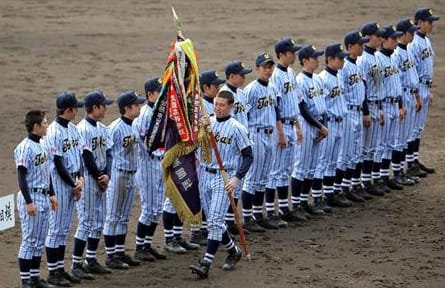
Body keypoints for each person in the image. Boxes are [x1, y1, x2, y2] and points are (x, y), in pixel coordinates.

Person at [189, 90, 253, 279]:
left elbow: (249, 156)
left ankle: (206, 263)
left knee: (215, 221)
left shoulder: (237, 128)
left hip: (224, 178)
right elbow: (192, 145)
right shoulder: (207, 122)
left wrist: (236, 178)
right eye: (216, 104)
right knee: (214, 222)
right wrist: (201, 129)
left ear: (231, 106)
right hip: (205, 176)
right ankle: (234, 251)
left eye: (222, 105)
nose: (217, 108)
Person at [71, 90, 114, 280]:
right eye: (103, 105)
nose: (106, 108)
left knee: (99, 221)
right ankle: (76, 264)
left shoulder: (103, 129)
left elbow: (110, 153)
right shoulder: (82, 129)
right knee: (86, 221)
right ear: (94, 108)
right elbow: (86, 157)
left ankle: (91, 259)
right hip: (88, 179)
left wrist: (108, 175)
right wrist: (100, 177)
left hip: (101, 179)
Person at [45, 92, 85, 286]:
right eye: (75, 108)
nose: (78, 110)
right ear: (68, 110)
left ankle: (60, 269)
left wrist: (81, 179)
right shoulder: (53, 132)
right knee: (56, 230)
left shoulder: (74, 129)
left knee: (64, 229)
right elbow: (58, 163)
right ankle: (53, 272)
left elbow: (81, 155)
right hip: (60, 184)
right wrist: (73, 184)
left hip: (73, 182)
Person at [15, 110, 58, 288]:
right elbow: (21, 176)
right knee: (29, 241)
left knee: (39, 241)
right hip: (31, 196)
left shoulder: (42, 144)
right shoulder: (25, 147)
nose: (47, 125)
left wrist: (52, 194)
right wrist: (28, 202)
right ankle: (26, 281)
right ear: (36, 126)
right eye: (45, 123)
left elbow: (47, 172)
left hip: (43, 195)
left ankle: (34, 278)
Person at [103, 90, 145, 269]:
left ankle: (120, 252)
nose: (139, 107)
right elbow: (106, 153)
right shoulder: (114, 128)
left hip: (132, 174)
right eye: (136, 105)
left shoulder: (134, 125)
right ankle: (110, 255)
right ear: (127, 108)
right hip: (118, 175)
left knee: (124, 217)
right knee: (113, 216)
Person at [266, 37, 305, 223]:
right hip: (280, 128)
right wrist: (280, 132)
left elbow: (295, 101)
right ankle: (270, 212)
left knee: (285, 171)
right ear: (281, 55)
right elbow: (275, 106)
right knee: (275, 171)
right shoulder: (275, 77)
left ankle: (283, 208)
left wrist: (298, 126)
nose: (294, 55)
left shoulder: (290, 72)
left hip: (291, 124)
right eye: (291, 53)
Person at [242, 52, 282, 230]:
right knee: (252, 178)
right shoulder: (250, 90)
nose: (268, 70)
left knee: (264, 177)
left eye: (270, 67)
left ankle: (259, 215)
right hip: (256, 134)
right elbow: (244, 115)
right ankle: (247, 217)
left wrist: (280, 133)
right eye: (265, 67)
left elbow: (276, 111)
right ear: (257, 68)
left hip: (270, 134)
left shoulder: (273, 88)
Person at [133, 77, 168, 261]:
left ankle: (146, 244)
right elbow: (148, 144)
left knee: (157, 210)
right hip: (147, 164)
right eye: (160, 92)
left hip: (159, 163)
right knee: (149, 209)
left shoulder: (159, 111)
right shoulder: (146, 115)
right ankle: (140, 247)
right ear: (150, 94)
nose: (163, 95)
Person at [291, 44, 328, 215]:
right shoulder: (299, 81)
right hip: (306, 125)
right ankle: (296, 204)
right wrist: (320, 126)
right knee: (301, 167)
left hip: (318, 125)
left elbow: (323, 105)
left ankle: (305, 202)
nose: (318, 61)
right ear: (305, 61)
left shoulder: (317, 79)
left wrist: (323, 125)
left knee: (312, 167)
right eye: (314, 58)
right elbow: (303, 108)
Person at [190, 70, 226, 245]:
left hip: (211, 156)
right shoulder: (199, 107)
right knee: (199, 194)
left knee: (208, 195)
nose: (218, 88)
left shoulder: (213, 104)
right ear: (205, 87)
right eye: (215, 86)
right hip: (199, 157)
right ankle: (196, 231)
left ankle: (206, 228)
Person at [316, 43, 352, 208]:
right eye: (340, 58)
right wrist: (322, 127)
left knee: (332, 162)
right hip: (329, 123)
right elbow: (321, 105)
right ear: (330, 59)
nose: (343, 61)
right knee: (323, 161)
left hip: (340, 123)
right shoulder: (322, 78)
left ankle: (329, 195)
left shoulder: (338, 75)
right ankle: (318, 198)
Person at [336, 31, 370, 203]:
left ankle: (348, 187)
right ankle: (338, 190)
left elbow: (362, 91)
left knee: (355, 153)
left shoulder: (357, 65)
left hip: (357, 112)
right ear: (350, 47)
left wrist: (365, 112)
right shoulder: (343, 69)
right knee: (345, 153)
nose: (362, 46)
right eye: (359, 44)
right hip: (348, 113)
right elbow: (339, 94)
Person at [220, 60, 252, 234]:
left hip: (242, 143)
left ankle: (231, 222)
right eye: (242, 75)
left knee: (238, 185)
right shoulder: (223, 95)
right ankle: (224, 221)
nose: (244, 77)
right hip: (230, 147)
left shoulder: (241, 93)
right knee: (229, 185)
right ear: (232, 76)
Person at [407, 8, 439, 176]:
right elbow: (412, 71)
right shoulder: (413, 44)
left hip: (425, 87)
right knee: (412, 128)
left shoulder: (426, 41)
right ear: (419, 23)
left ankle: (414, 159)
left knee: (418, 128)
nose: (431, 25)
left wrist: (429, 90)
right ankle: (409, 164)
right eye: (429, 22)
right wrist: (416, 93)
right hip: (417, 88)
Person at [375, 25, 405, 192]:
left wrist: (400, 105)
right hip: (384, 105)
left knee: (390, 143)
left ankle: (385, 176)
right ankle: (378, 176)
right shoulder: (378, 59)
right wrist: (379, 108)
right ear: (383, 40)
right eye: (393, 39)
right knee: (381, 143)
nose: (396, 42)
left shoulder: (393, 58)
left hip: (394, 104)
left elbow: (397, 84)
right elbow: (376, 87)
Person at [357, 22, 386, 197]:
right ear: (368, 38)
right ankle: (362, 182)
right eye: (378, 35)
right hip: (366, 108)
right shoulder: (363, 60)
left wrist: (380, 108)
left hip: (377, 105)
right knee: (364, 148)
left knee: (372, 147)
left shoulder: (374, 56)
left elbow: (378, 86)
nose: (381, 38)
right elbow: (363, 90)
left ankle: (368, 181)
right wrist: (366, 111)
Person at [393, 18, 422, 185]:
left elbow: (413, 75)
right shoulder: (396, 55)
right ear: (402, 34)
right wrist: (400, 105)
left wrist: (417, 96)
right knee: (399, 138)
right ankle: (396, 173)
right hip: (402, 96)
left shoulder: (409, 51)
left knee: (405, 137)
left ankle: (403, 171)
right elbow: (396, 83)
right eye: (411, 32)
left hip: (411, 95)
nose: (413, 34)